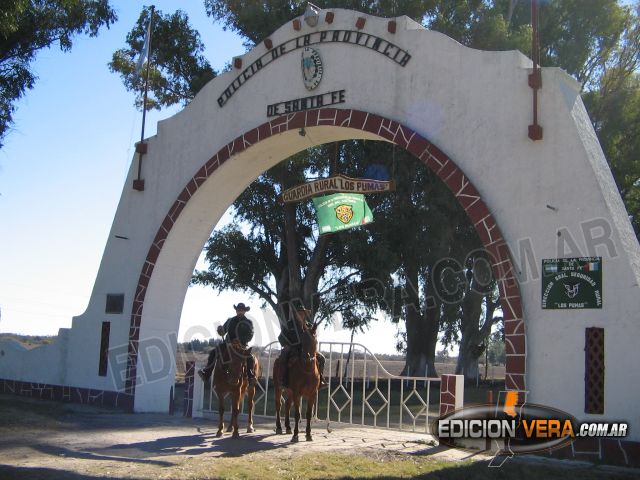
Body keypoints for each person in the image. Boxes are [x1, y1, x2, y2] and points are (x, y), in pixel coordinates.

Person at [198, 303, 256, 385]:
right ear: (236, 311)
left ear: (244, 311)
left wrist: (239, 340)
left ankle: (251, 377)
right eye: (238, 310)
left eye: (241, 310)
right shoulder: (230, 321)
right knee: (213, 352)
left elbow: (250, 335)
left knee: (250, 358)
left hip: (242, 346)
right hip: (228, 344)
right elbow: (223, 332)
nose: (240, 312)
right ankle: (206, 374)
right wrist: (220, 330)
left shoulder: (248, 322)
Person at [278, 304, 327, 388]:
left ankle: (320, 379)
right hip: (293, 348)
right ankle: (284, 380)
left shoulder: (310, 326)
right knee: (284, 356)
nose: (301, 314)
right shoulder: (289, 325)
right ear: (295, 314)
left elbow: (314, 339)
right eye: (299, 313)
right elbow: (281, 337)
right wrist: (286, 345)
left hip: (306, 349)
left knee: (321, 358)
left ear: (305, 314)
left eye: (303, 313)